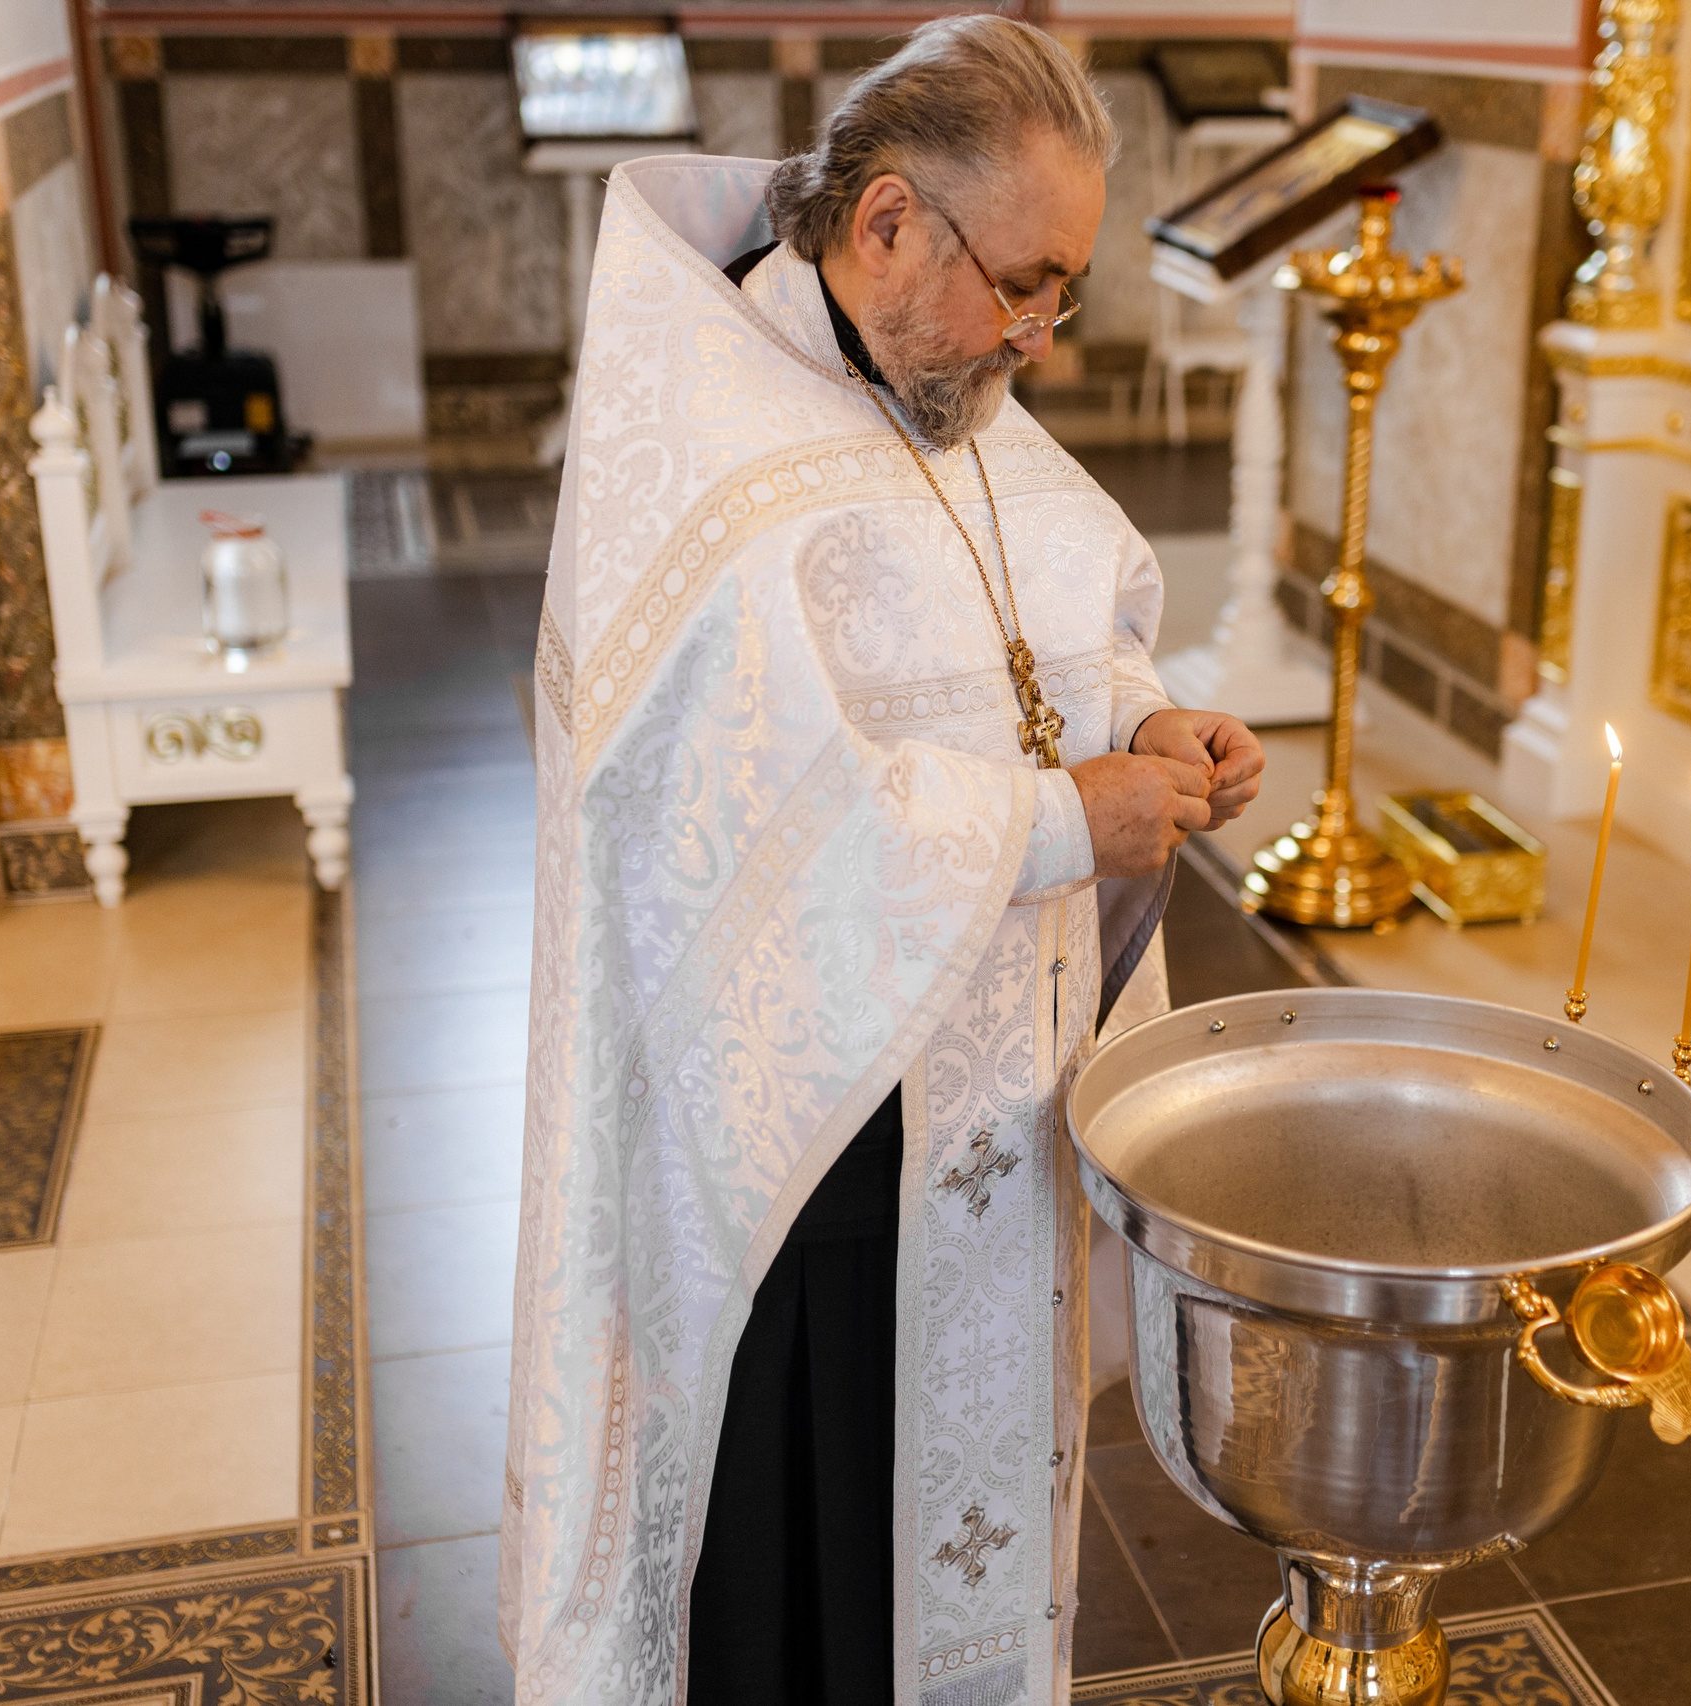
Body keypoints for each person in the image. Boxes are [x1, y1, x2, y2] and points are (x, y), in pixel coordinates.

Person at [499, 18, 1265, 1704]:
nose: (1043, 341)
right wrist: (1070, 819)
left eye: (1064, 293)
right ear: (891, 222)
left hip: (978, 1115)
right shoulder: (712, 439)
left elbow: (1056, 594)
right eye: (1027, 283)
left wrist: (1144, 719)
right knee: (807, 1574)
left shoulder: (939, 373)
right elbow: (750, 819)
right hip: (805, 1165)